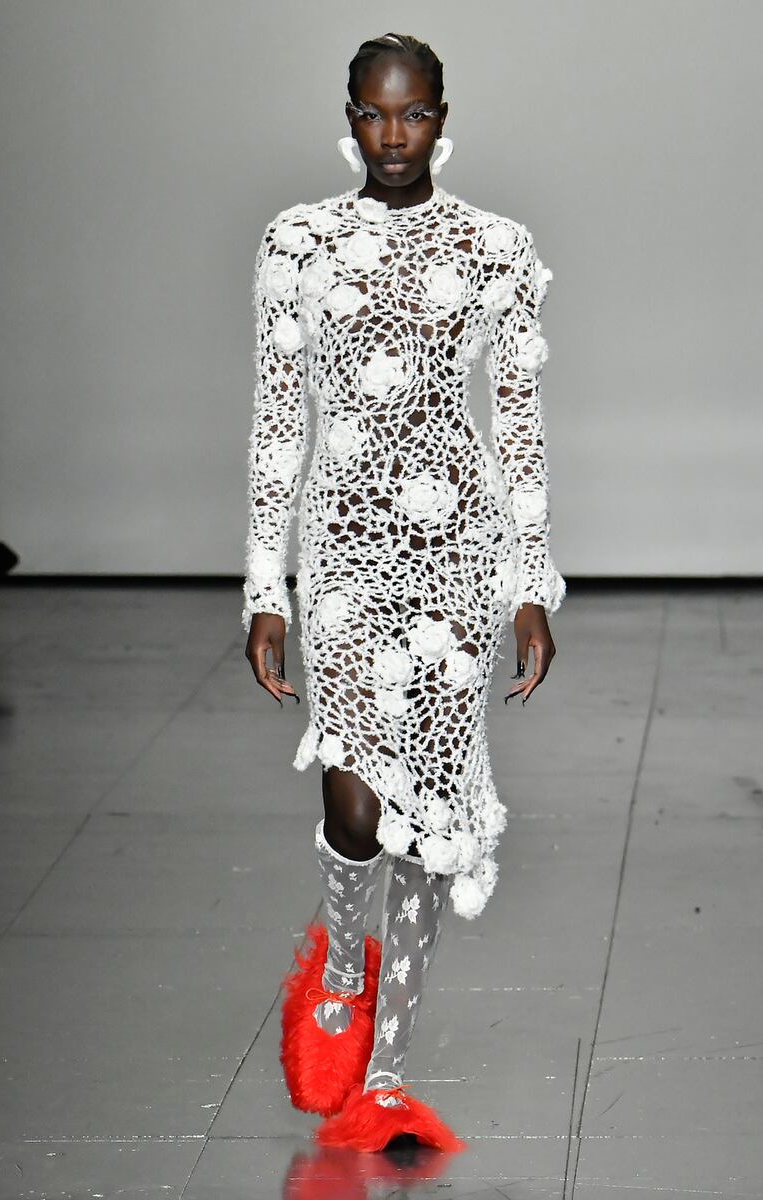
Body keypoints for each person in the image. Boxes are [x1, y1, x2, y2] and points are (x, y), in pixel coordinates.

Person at [243, 32, 566, 1153]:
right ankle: (341, 956)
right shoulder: (299, 243)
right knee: (352, 806)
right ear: (348, 115)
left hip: (457, 557)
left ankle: (382, 1074)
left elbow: (517, 431)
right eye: (375, 115)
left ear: (440, 116)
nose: (393, 136)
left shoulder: (494, 249)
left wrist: (529, 584)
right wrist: (262, 587)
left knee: (428, 818)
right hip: (341, 547)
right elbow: (279, 423)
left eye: (413, 114)